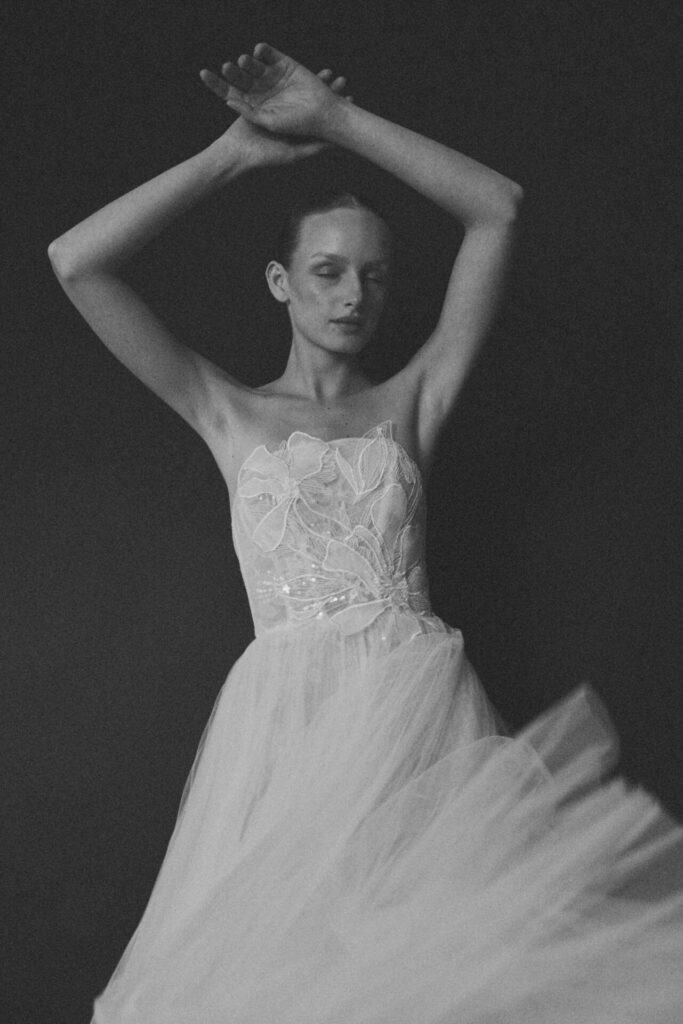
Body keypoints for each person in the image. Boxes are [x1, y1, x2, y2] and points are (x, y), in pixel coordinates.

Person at [49, 42, 683, 1024]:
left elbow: (497, 207)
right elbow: (75, 261)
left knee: (440, 970)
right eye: (327, 271)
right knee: (290, 977)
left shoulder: (412, 399)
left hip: (421, 713)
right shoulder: (226, 411)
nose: (351, 298)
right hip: (289, 726)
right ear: (279, 281)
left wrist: (338, 121)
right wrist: (237, 151)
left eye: (372, 278)